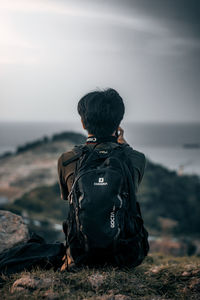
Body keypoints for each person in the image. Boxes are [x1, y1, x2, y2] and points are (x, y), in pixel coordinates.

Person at [57, 88, 149, 270]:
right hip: (126, 257)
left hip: (80, 254)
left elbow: (69, 198)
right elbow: (127, 191)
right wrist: (123, 146)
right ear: (119, 122)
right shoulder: (137, 159)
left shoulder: (66, 159)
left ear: (83, 123)